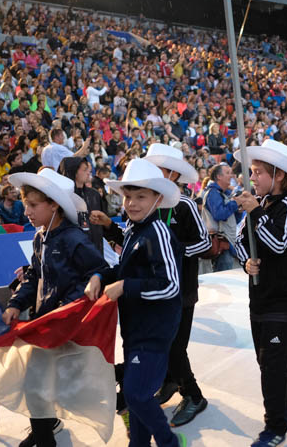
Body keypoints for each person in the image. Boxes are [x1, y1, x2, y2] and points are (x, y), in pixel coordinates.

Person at [84, 158, 188, 447]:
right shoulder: (134, 230)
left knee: (136, 393)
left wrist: (124, 287)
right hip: (135, 329)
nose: (132, 203)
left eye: (141, 197)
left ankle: (169, 442)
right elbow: (125, 269)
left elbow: (170, 285)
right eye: (128, 196)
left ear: (158, 199)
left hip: (155, 331)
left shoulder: (159, 233)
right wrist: (100, 276)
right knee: (136, 394)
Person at [3, 168, 109, 447]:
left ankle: (129, 393)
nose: (27, 211)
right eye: (25, 204)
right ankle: (44, 431)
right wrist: (16, 303)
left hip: (67, 327)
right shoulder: (40, 237)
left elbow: (97, 271)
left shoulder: (73, 238)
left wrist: (65, 307)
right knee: (35, 387)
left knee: (63, 387)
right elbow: (34, 277)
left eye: (33, 205)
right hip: (46, 324)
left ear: (54, 205)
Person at [231, 139, 287, 447]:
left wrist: (255, 213)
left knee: (272, 365)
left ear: (278, 175)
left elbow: (278, 244)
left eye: (258, 172)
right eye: (251, 171)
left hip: (285, 298)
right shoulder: (260, 205)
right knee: (266, 359)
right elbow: (240, 240)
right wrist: (246, 261)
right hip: (261, 296)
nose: (251, 178)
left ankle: (275, 426)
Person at [143, 143, 211, 426]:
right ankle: (170, 381)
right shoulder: (149, 203)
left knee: (174, 345)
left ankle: (194, 395)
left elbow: (204, 243)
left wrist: (175, 251)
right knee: (164, 343)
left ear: (172, 174)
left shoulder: (184, 205)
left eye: (157, 169)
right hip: (156, 289)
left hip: (182, 291)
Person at [58, 156, 104, 253]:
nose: (88, 172)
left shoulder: (94, 194)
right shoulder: (62, 197)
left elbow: (102, 223)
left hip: (96, 249)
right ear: (73, 172)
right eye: (84, 169)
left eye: (88, 169)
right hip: (72, 251)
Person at [202, 163, 240, 272]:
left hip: (226, 244)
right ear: (219, 176)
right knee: (223, 276)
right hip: (221, 245)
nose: (231, 176)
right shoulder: (213, 193)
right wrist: (235, 203)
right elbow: (219, 215)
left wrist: (238, 210)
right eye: (228, 173)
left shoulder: (222, 193)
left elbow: (233, 220)